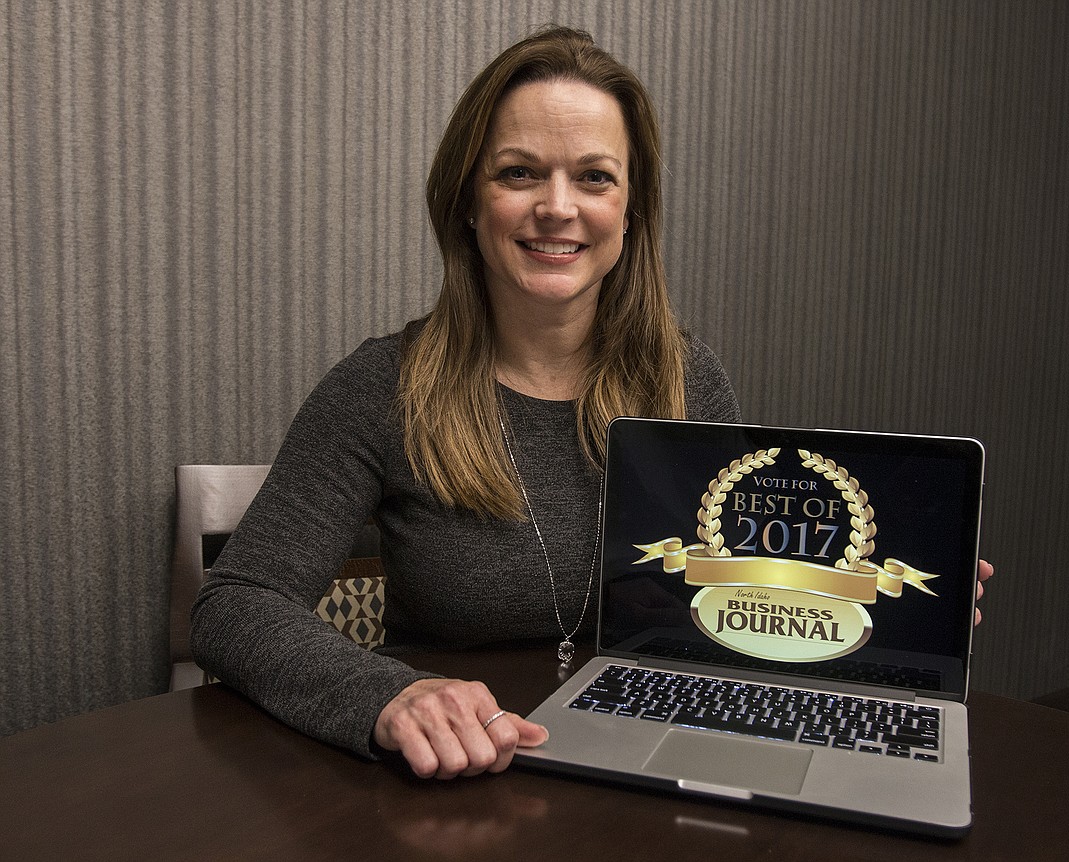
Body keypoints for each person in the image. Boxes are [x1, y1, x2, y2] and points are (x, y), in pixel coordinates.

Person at [190, 25, 993, 782]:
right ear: (468, 202)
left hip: (652, 757)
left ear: (629, 212)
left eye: (594, 177)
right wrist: (388, 695)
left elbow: (739, 613)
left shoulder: (688, 381)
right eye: (519, 172)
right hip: (460, 776)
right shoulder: (381, 388)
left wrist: (896, 604)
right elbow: (236, 603)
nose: (558, 207)